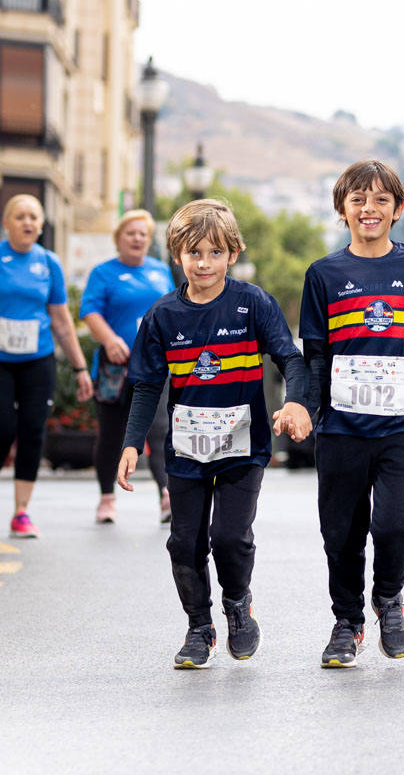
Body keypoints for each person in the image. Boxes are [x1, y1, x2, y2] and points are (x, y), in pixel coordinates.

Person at [116, 199, 311, 669]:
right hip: (185, 450)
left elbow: (291, 358)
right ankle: (198, 627)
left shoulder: (252, 303)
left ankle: (238, 606)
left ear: (233, 253)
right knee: (184, 541)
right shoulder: (162, 316)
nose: (204, 263)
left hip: (244, 448)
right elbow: (146, 387)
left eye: (215, 253)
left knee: (228, 537)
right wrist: (130, 443)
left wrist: (296, 401)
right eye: (193, 253)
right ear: (177, 256)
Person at [300, 160, 404, 668]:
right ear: (341, 210)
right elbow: (314, 354)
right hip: (341, 425)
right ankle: (346, 621)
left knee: (394, 523)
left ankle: (389, 599)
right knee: (341, 529)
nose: (369, 209)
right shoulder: (324, 274)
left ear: (398, 209)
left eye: (380, 200)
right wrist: (305, 407)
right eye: (358, 200)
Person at [2, 194, 94, 539]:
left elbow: (60, 319)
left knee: (32, 429)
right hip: (1, 360)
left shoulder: (49, 263)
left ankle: (21, 512)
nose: (28, 223)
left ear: (41, 226)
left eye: (34, 218)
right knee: (2, 424)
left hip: (37, 358)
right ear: (7, 222)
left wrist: (80, 368)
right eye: (21, 216)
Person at [79, 210, 174, 525]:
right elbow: (90, 312)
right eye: (130, 233)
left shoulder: (161, 271)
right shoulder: (103, 273)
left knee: (160, 429)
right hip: (115, 370)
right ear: (119, 238)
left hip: (154, 366)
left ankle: (166, 496)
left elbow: (171, 312)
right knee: (112, 434)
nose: (137, 239)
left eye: (143, 234)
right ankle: (107, 498)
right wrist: (109, 340)